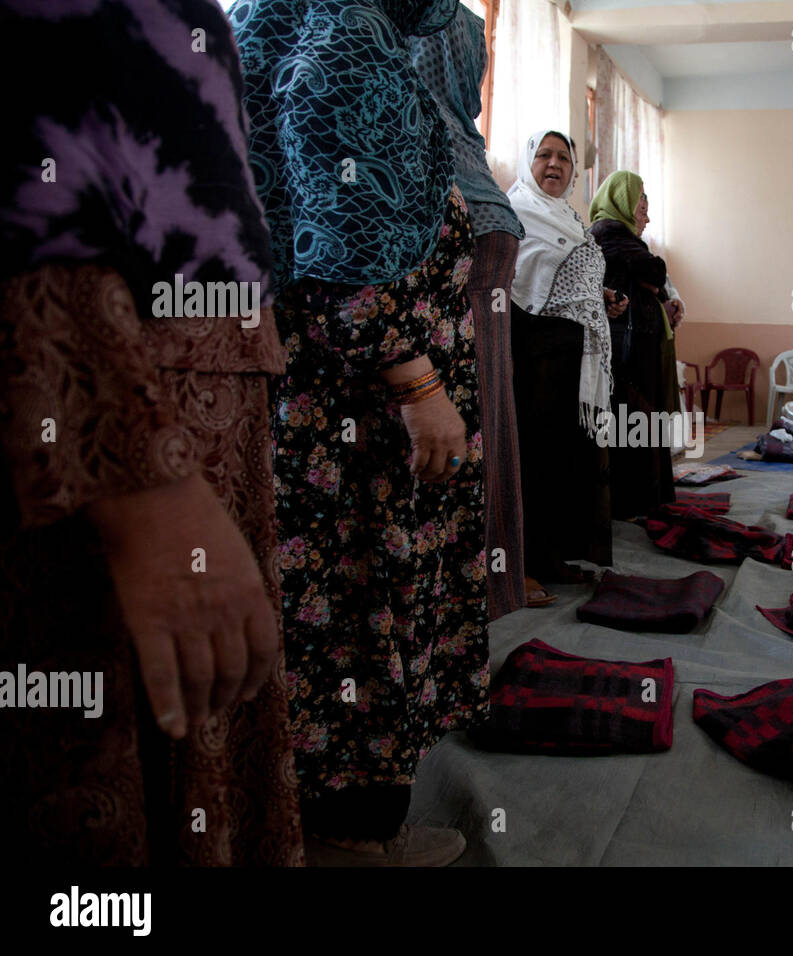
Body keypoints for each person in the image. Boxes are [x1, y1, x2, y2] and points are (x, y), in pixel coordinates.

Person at [0, 0, 301, 865]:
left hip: (198, 383)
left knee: (203, 713)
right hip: (113, 386)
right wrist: (143, 476)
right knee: (103, 742)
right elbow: (32, 153)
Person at [234, 0, 487, 866]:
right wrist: (416, 380)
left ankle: (316, 820)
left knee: (331, 604)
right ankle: (356, 836)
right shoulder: (344, 36)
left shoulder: (282, 20)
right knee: (359, 602)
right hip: (358, 406)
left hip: (317, 390)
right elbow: (341, 245)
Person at [412, 7, 528, 619]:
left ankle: (452, 604)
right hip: (483, 290)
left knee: (447, 447)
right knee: (486, 425)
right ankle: (487, 589)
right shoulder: (469, 149)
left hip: (432, 347)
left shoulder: (418, 143)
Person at [507, 131, 622, 589]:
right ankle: (526, 562)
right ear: (527, 162)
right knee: (537, 457)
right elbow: (519, 284)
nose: (554, 164)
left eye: (563, 158)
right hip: (537, 357)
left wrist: (600, 296)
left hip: (578, 360)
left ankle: (555, 556)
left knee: (568, 459)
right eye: (544, 155)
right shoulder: (516, 212)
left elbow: (572, 280)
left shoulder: (572, 219)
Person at [590, 171, 678, 518]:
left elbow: (658, 281)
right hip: (627, 352)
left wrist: (658, 289)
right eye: (641, 203)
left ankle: (644, 498)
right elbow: (656, 271)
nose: (646, 214)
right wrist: (654, 281)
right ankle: (632, 501)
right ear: (621, 200)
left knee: (642, 420)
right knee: (632, 420)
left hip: (637, 347)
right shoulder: (609, 232)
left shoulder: (621, 237)